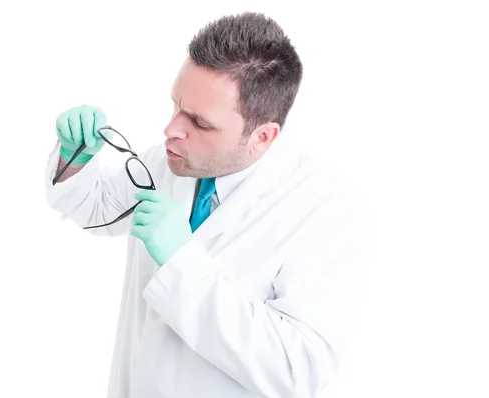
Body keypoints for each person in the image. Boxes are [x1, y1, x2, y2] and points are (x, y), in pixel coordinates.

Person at [45, 11, 368, 398]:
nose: (171, 130)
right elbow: (96, 210)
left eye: (199, 122)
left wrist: (183, 264)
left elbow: (296, 370)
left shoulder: (323, 210)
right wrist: (75, 155)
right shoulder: (170, 160)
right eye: (176, 106)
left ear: (263, 137)